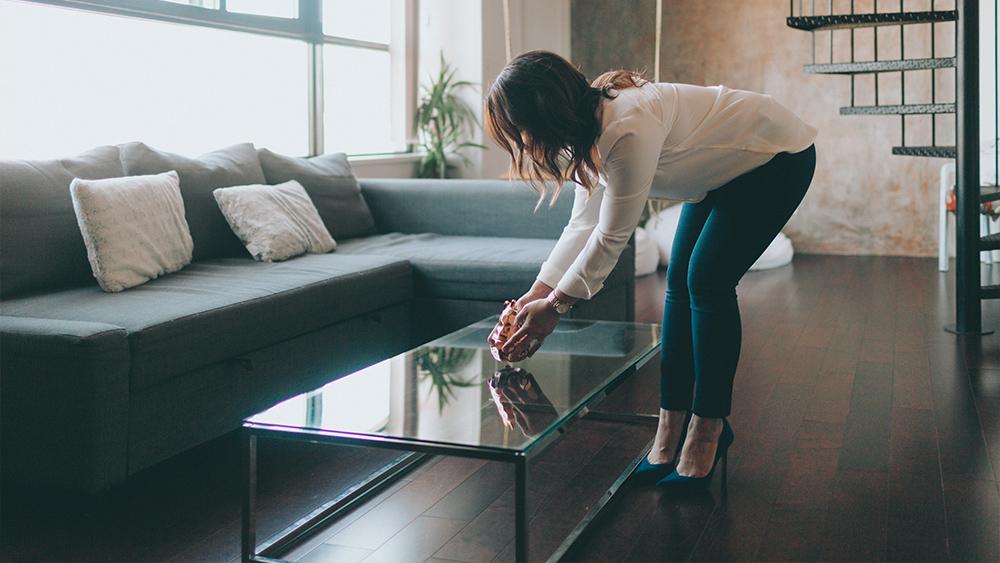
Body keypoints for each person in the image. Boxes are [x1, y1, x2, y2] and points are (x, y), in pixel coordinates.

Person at [484, 51, 817, 493]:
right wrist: (535, 295)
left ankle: (708, 429)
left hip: (776, 156)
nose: (523, 143)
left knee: (707, 281)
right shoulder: (588, 130)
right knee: (679, 285)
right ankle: (670, 427)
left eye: (520, 130)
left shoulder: (626, 127)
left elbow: (610, 237)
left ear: (543, 114)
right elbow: (581, 224)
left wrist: (557, 306)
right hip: (721, 172)